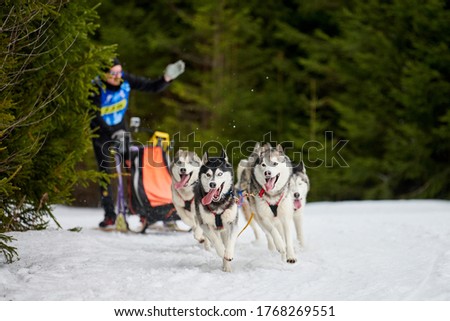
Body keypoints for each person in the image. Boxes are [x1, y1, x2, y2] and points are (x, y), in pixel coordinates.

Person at [90, 57, 185, 228]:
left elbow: (151, 87)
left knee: (135, 166)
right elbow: (95, 117)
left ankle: (144, 209)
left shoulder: (126, 80)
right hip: (101, 134)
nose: (117, 76)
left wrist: (166, 79)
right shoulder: (96, 88)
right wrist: (112, 133)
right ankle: (110, 214)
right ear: (104, 74)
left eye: (119, 72)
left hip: (121, 131)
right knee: (105, 173)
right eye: (113, 73)